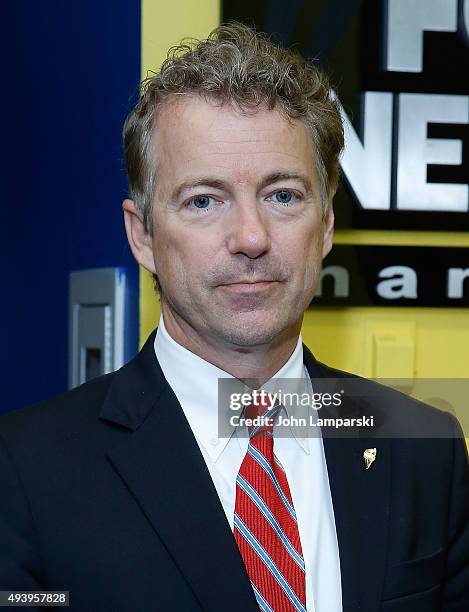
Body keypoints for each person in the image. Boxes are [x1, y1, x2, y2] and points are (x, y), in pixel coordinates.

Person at [0, 22, 468, 612]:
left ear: (324, 227)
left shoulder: (424, 449)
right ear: (142, 235)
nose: (251, 237)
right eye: (204, 200)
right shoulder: (22, 473)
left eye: (282, 196)